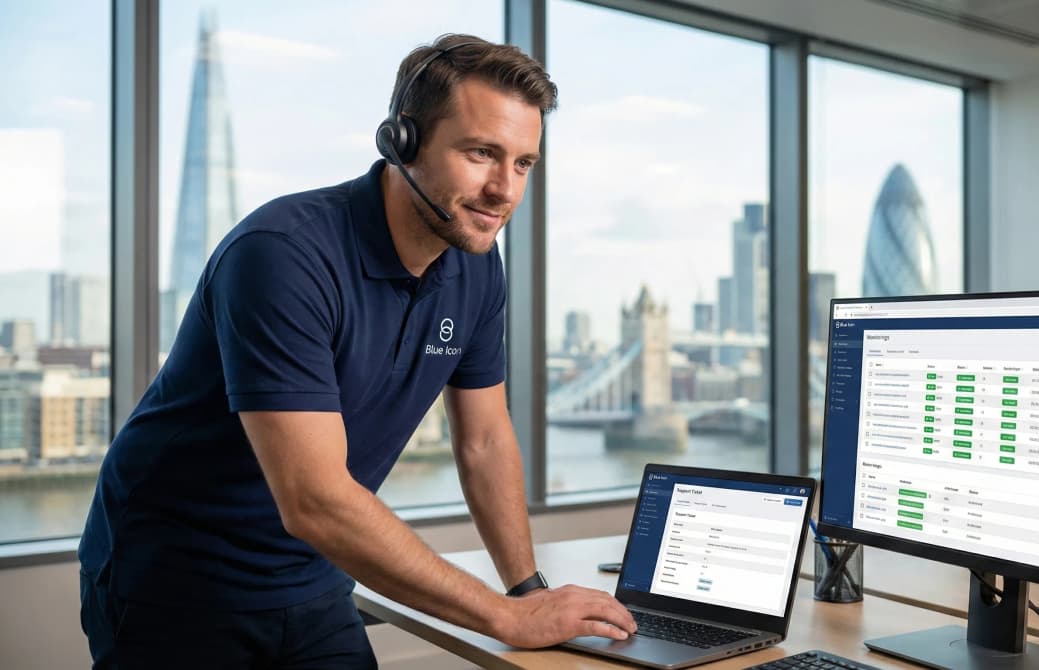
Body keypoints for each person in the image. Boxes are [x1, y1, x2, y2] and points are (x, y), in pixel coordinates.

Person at [78, 34, 636, 669]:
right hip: (176, 579)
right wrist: (506, 618)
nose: (504, 190)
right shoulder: (282, 255)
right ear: (401, 141)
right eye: (482, 153)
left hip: (314, 576)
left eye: (524, 164)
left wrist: (528, 592)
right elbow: (315, 500)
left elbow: (483, 439)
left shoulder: (476, 264)